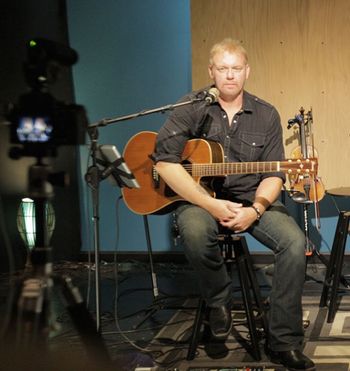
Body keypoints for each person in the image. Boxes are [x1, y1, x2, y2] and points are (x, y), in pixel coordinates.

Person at [152, 38, 315, 370]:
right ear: (211, 71)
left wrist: (255, 209)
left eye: (236, 69)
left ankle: (283, 341)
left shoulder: (266, 113)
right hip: (199, 200)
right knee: (196, 231)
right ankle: (218, 301)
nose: (230, 76)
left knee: (294, 242)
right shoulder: (190, 107)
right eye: (223, 69)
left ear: (247, 72)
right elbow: (165, 163)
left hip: (250, 200)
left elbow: (274, 174)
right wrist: (210, 206)